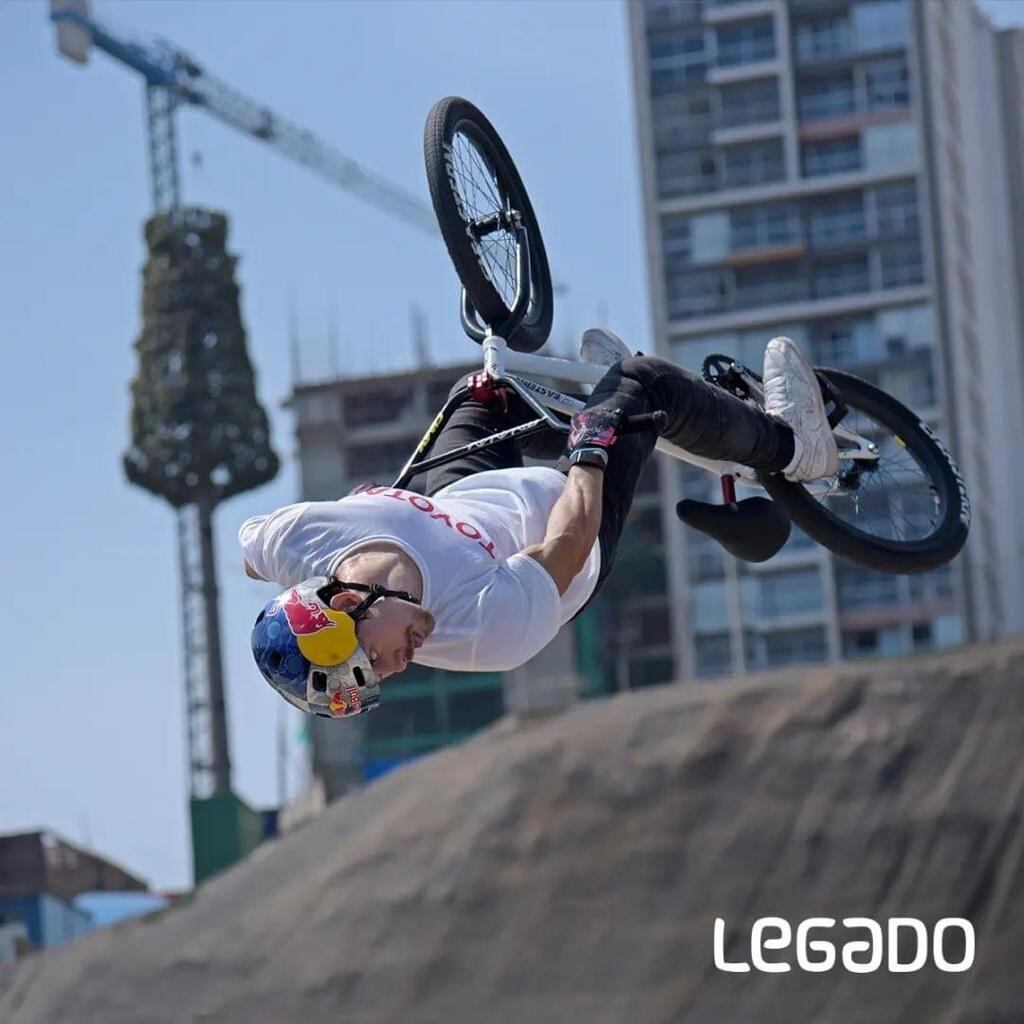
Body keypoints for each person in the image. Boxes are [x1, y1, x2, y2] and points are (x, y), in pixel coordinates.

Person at [241, 332, 837, 718]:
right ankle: (794, 446)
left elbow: (251, 554)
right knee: (643, 383)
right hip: (565, 545)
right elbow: (569, 542)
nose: (399, 666)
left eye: (375, 658)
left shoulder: (300, 540)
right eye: (380, 678)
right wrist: (593, 447)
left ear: (347, 597)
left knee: (486, 391)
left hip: (461, 506)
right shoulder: (483, 630)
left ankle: (608, 406)